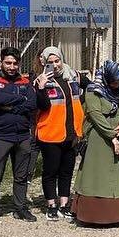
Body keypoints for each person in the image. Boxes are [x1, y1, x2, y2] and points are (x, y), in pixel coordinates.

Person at [0, 47, 38, 226]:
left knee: (21, 176)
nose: (12, 67)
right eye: (8, 63)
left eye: (15, 63)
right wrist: (21, 99)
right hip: (0, 135)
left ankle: (20, 207)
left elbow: (33, 103)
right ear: (1, 62)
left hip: (22, 135)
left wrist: (13, 103)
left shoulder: (25, 81)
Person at [74, 61, 119, 224]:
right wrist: (112, 136)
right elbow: (95, 115)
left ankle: (118, 214)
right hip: (98, 138)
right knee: (96, 174)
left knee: (118, 174)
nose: (116, 84)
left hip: (116, 133)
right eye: (113, 81)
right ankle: (93, 215)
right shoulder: (93, 91)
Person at [33, 46, 83, 222]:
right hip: (50, 133)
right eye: (50, 62)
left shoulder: (73, 77)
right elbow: (43, 106)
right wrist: (41, 88)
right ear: (44, 63)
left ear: (62, 60)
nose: (54, 65)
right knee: (50, 172)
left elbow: (89, 89)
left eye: (57, 61)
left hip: (71, 132)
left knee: (67, 171)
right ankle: (51, 205)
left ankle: (64, 204)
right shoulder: (41, 81)